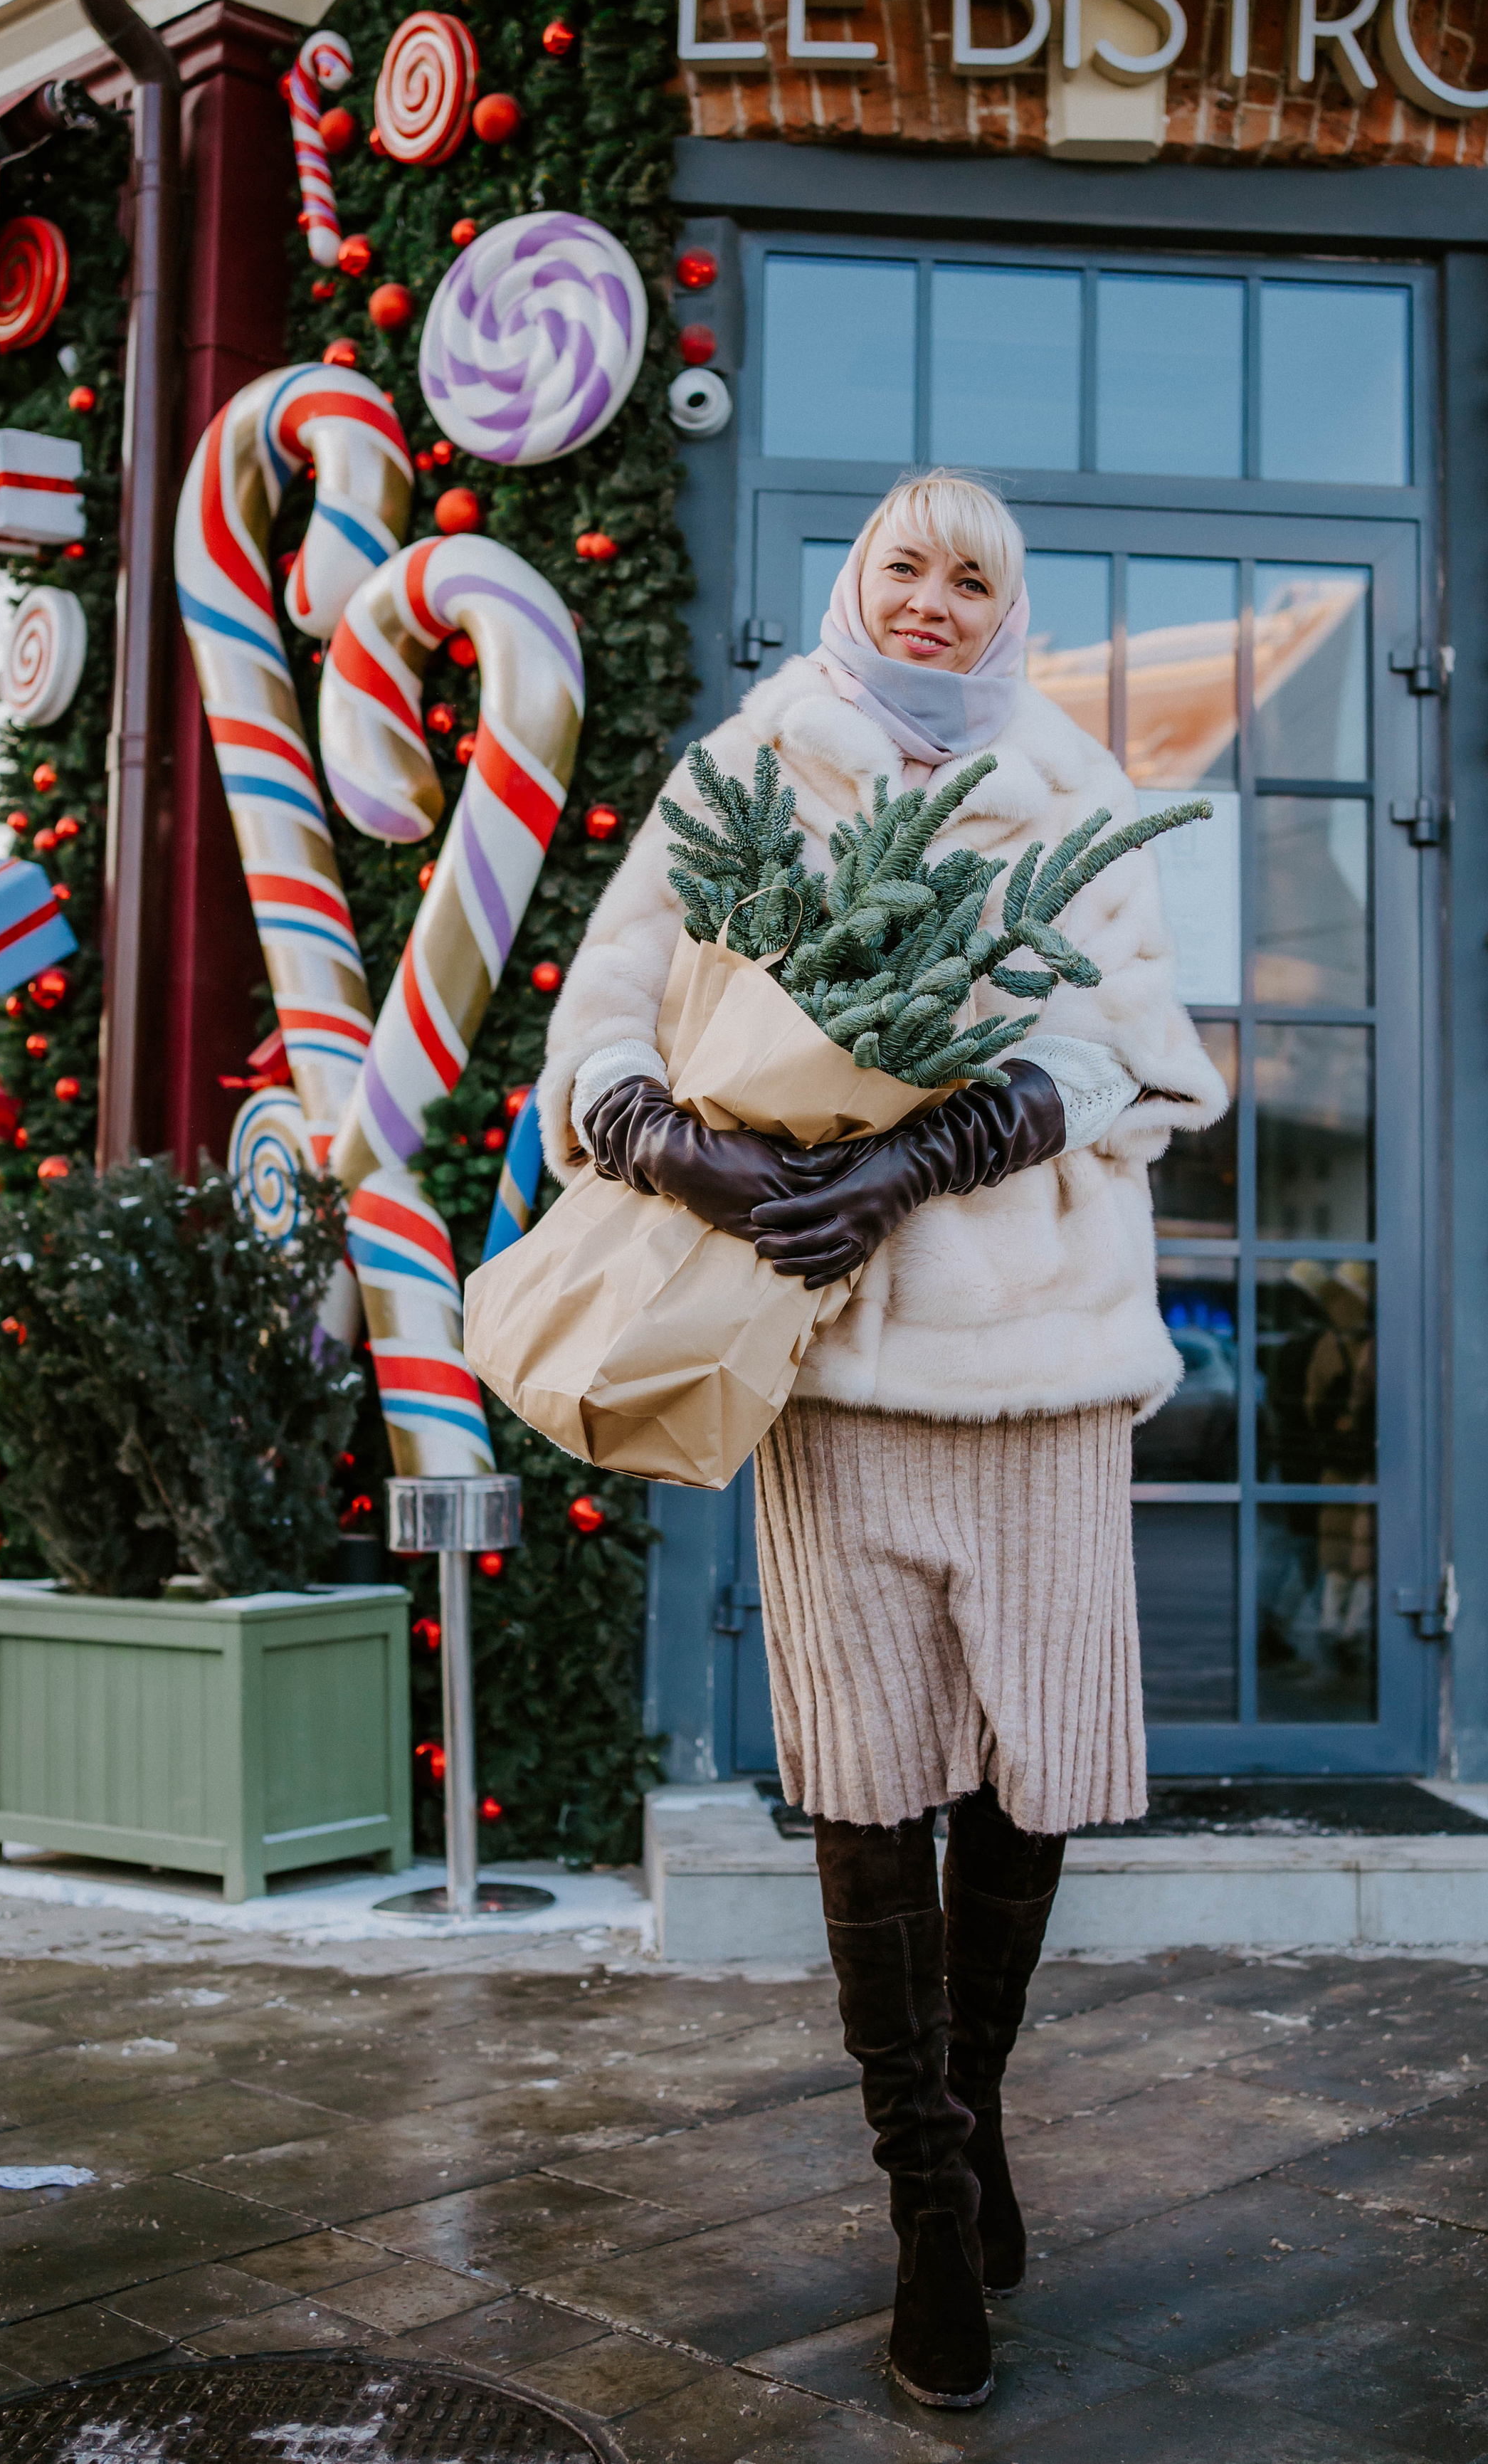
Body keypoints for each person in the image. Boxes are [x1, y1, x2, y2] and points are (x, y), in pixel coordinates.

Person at [541, 470, 1227, 2410]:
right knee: (862, 1770)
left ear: (1010, 609)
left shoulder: (1075, 788)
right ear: (858, 585)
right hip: (829, 1363)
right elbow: (601, 1026)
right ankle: (926, 2199)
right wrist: (675, 1143)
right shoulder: (743, 770)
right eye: (904, 567)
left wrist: (938, 1148)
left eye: (973, 578)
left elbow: (1140, 1052)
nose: (935, 599)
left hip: (1043, 1372)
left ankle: (973, 2107)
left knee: (1033, 1761)